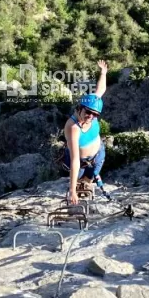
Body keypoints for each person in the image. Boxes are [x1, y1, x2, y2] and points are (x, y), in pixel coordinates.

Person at [61, 60, 107, 205]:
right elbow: (75, 160)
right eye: (88, 112)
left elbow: (100, 90)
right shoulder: (73, 127)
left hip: (97, 156)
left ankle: (86, 183)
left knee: (89, 181)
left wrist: (103, 73)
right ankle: (78, 188)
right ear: (80, 108)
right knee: (78, 183)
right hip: (79, 162)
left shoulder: (92, 105)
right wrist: (72, 190)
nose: (91, 117)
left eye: (95, 115)